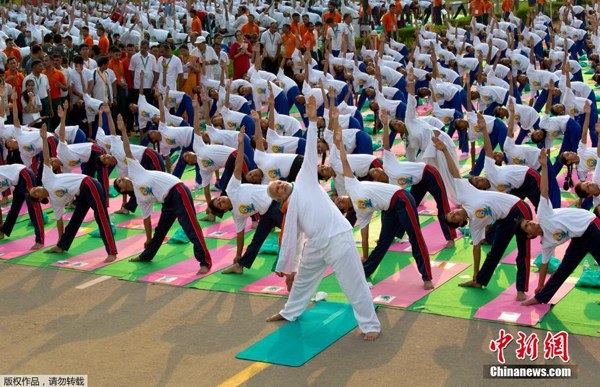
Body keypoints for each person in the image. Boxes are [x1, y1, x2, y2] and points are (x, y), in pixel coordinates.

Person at [264, 96, 381, 341]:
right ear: (278, 199)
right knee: (303, 281)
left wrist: (313, 120)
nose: (281, 185)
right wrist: (290, 268)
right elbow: (292, 240)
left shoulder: (305, 179)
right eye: (277, 189)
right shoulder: (288, 211)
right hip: (316, 244)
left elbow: (309, 152)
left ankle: (370, 326)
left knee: (353, 283)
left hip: (338, 237)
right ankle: (290, 312)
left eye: (280, 182)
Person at [434, 114, 533, 301]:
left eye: (451, 213)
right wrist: (475, 273)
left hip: (518, 208)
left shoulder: (464, 195)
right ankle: (479, 280)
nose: (454, 213)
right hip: (504, 219)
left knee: (523, 250)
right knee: (495, 251)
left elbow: (455, 171)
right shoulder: (474, 225)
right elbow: (476, 249)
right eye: (454, 218)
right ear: (462, 222)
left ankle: (522, 289)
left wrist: (446, 150)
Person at [332, 107, 433, 288]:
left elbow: (345, 161)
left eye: (337, 198)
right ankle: (366, 270)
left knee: (414, 236)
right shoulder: (361, 212)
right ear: (346, 209)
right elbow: (364, 235)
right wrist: (363, 254)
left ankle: (426, 277)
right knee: (383, 242)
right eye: (339, 203)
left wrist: (338, 143)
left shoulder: (352, 185)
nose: (339, 199)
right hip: (390, 210)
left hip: (401, 198)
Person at [113, 116, 212, 275]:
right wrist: (147, 238)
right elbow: (146, 219)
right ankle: (146, 255)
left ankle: (204, 262)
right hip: (167, 201)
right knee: (160, 231)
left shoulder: (134, 172)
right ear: (123, 190)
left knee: (190, 227)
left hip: (177, 191)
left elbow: (127, 150)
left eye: (120, 178)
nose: (122, 179)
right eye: (119, 182)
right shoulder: (140, 197)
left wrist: (123, 131)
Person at [521, 149, 600, 306]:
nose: (531, 222)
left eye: (528, 221)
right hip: (579, 238)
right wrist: (539, 285)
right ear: (530, 235)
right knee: (563, 269)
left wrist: (544, 165)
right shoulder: (547, 242)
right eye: (528, 226)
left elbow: (544, 190)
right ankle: (541, 298)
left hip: (591, 227)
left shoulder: (543, 215)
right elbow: (544, 264)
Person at [29, 124, 118, 263]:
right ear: (40, 198)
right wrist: (58, 240)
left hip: (89, 184)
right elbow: (59, 221)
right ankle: (61, 246)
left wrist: (44, 139)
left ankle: (112, 252)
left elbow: (46, 159)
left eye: (34, 188)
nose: (36, 188)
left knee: (100, 216)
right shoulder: (55, 202)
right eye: (35, 192)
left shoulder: (46, 179)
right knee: (75, 219)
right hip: (81, 193)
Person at [0, 164, 45, 250]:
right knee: (14, 208)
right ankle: (3, 230)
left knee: (33, 208)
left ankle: (40, 240)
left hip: (24, 174)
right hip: (17, 182)